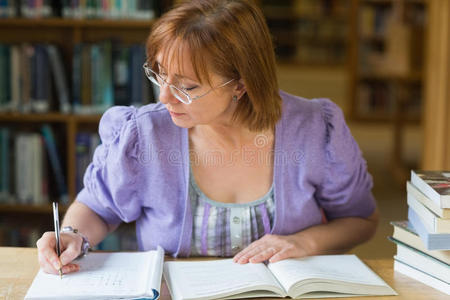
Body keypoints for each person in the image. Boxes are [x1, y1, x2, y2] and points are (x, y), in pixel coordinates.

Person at [37, 0, 379, 275]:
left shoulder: (316, 128)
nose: (164, 98)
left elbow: (360, 221)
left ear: (241, 85)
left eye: (187, 87)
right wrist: (73, 236)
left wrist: (307, 243)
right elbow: (97, 208)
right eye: (159, 75)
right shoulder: (145, 133)